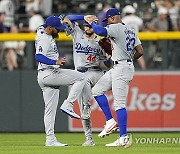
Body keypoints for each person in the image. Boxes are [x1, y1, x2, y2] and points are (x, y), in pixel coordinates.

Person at [84, 8, 143, 147]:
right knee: (97, 90)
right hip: (121, 66)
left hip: (121, 67)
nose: (107, 23)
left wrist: (92, 23)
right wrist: (127, 59)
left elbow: (99, 31)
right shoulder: (130, 29)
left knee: (119, 104)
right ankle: (110, 121)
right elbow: (140, 51)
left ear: (112, 18)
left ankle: (123, 138)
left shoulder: (115, 27)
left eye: (108, 20)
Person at [35, 15, 89, 146]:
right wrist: (55, 61)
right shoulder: (44, 39)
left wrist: (82, 17)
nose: (58, 30)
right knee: (82, 77)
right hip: (49, 73)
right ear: (50, 28)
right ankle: (68, 104)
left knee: (49, 110)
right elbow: (38, 56)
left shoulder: (41, 29)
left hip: (43, 76)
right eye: (56, 28)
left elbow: (66, 17)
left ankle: (50, 139)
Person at [63, 15, 112, 146]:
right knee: (84, 109)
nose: (87, 27)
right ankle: (89, 138)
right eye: (86, 24)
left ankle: (111, 121)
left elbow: (107, 64)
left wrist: (108, 59)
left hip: (96, 72)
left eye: (90, 25)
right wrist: (82, 16)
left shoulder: (100, 41)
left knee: (115, 85)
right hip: (81, 73)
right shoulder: (77, 33)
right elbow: (66, 18)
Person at [122, 5, 146, 70]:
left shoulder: (124, 19)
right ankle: (144, 68)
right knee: (139, 53)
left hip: (126, 39)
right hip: (136, 38)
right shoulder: (138, 19)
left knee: (125, 56)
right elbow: (141, 27)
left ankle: (126, 69)